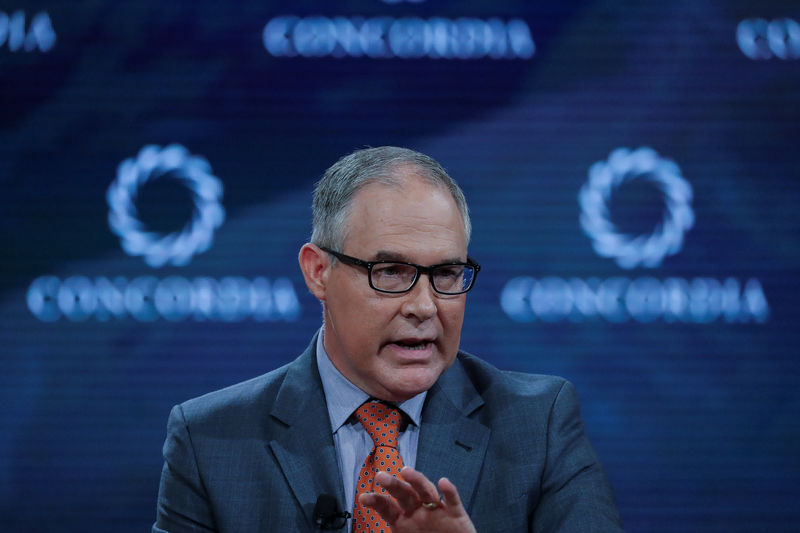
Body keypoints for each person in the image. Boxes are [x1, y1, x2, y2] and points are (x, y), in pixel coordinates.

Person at [152, 146, 624, 532]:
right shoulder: (210, 440)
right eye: (391, 272)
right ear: (318, 272)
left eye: (445, 273)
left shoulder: (537, 425)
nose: (424, 305)